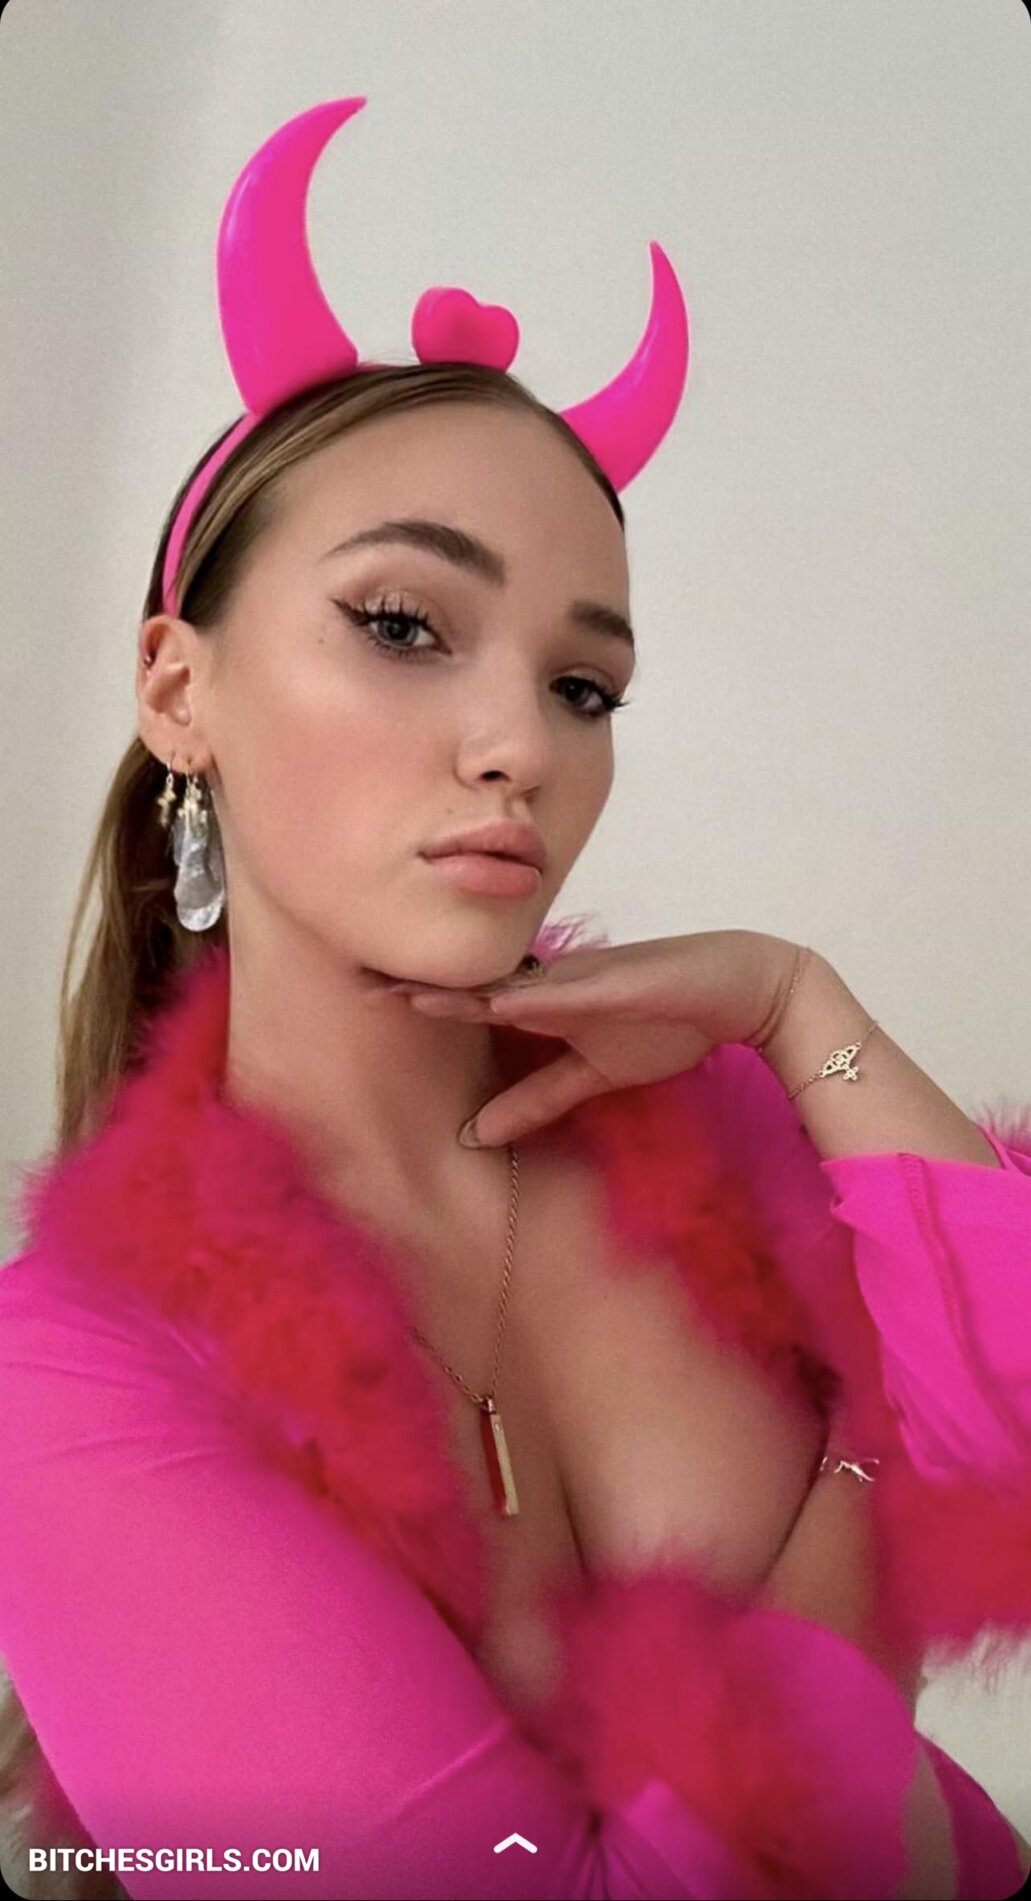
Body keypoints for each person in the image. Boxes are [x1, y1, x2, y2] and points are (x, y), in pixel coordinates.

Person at [2, 99, 1030, 1901]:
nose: (520, 747)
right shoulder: (71, 1373)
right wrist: (875, 1474)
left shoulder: (724, 1122)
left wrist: (797, 1003)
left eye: (584, 685)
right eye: (403, 624)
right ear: (177, 689)